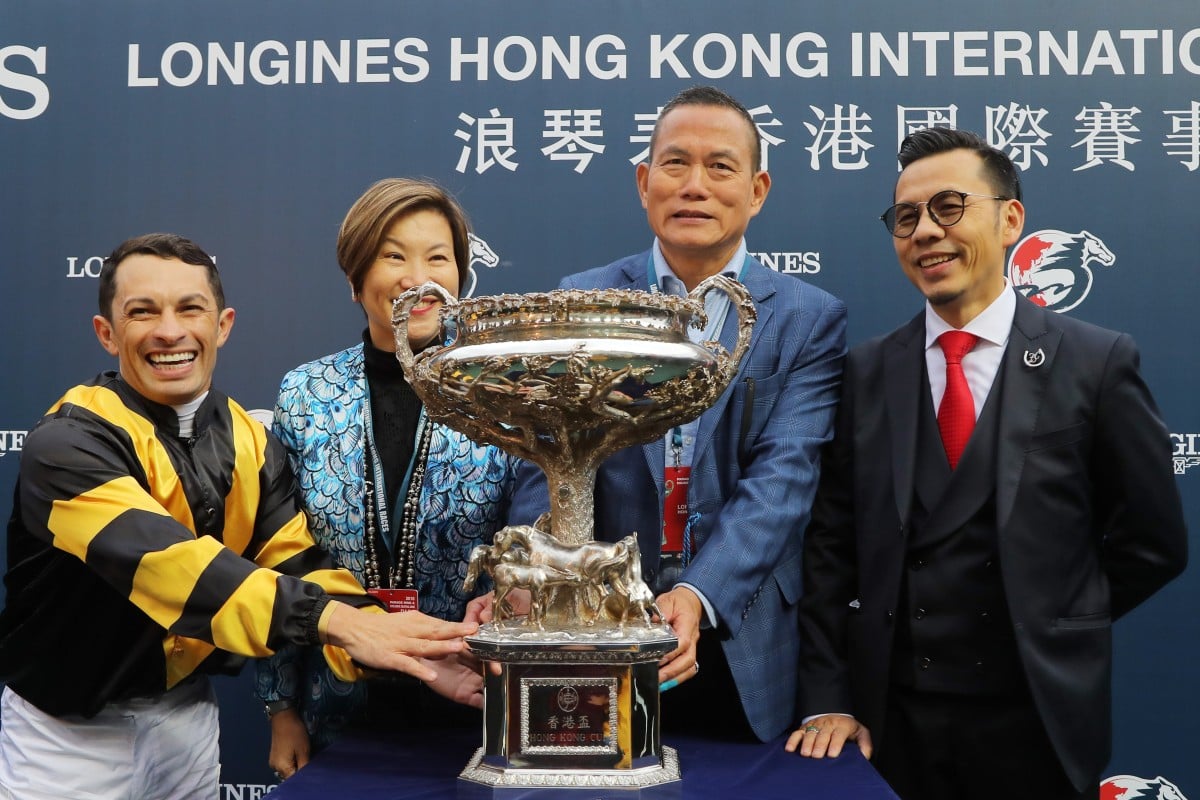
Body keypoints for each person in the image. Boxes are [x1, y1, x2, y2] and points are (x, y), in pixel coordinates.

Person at [0, 233, 479, 800]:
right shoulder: (67, 443)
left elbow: (299, 564)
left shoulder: (246, 436)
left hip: (187, 721)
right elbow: (169, 565)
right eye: (142, 312)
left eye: (190, 309)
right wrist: (344, 623)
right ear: (107, 333)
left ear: (222, 325)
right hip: (67, 735)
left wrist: (414, 653)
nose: (170, 332)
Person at [787, 128, 1188, 799]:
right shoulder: (867, 370)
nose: (925, 232)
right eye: (906, 217)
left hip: (1035, 717)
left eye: (949, 208)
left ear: (1010, 220)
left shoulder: (1096, 362)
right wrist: (829, 693)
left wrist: (1054, 616)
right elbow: (829, 548)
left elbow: (1154, 542)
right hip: (891, 724)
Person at [507, 85, 848, 742]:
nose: (696, 185)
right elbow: (542, 461)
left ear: (757, 190)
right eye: (675, 164)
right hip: (595, 633)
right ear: (644, 181)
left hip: (738, 634)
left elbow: (784, 478)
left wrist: (698, 594)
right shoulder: (583, 299)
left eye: (720, 167)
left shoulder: (807, 317)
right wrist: (540, 579)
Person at [255, 178, 516, 777]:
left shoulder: (502, 387)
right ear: (355, 276)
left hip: (477, 692)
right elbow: (277, 554)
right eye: (393, 255)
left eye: (437, 257)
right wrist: (280, 708)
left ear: (460, 274)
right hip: (338, 699)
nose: (415, 277)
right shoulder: (307, 394)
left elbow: (534, 527)